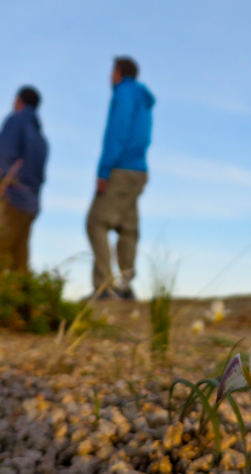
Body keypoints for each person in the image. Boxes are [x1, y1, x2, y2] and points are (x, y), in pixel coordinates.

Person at [86, 56, 155, 300]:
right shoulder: (143, 99)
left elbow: (116, 133)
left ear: (119, 72)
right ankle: (125, 287)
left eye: (111, 71)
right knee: (128, 227)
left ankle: (105, 288)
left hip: (121, 168)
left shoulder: (124, 93)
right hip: (138, 170)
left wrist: (104, 171)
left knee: (96, 222)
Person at [0, 86, 48, 273]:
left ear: (18, 101)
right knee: (18, 264)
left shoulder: (16, 121)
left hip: (9, 198)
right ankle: (23, 300)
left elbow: (4, 154)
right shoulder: (41, 139)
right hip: (29, 206)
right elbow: (40, 177)